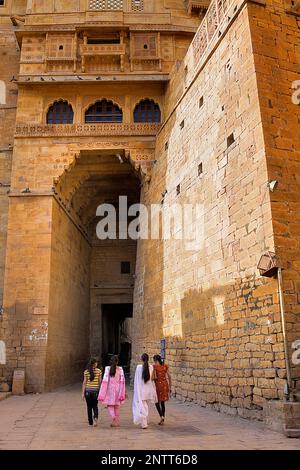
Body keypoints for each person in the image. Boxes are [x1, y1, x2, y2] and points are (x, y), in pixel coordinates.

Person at [98, 355, 126, 427]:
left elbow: (105, 380)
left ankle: (113, 418)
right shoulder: (120, 369)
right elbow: (122, 380)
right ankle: (116, 422)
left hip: (110, 389)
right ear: (117, 361)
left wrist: (102, 391)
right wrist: (123, 391)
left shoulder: (107, 369)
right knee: (117, 406)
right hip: (118, 389)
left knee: (110, 405)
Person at [132, 353, 157, 429]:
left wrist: (136, 390)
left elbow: (136, 379)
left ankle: (144, 422)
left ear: (141, 359)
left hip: (141, 390)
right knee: (145, 405)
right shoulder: (151, 367)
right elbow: (152, 379)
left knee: (142, 406)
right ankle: (144, 421)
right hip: (148, 390)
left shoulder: (139, 367)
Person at [82, 357, 102, 427]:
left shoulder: (86, 372)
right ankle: (95, 418)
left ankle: (90, 423)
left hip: (88, 391)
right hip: (95, 391)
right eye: (96, 362)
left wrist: (82, 393)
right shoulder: (99, 371)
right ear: (95, 364)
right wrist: (100, 391)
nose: (97, 363)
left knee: (89, 407)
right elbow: (100, 382)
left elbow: (84, 383)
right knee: (95, 406)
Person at [152, 354, 172, 425]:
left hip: (158, 386)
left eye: (154, 361)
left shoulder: (154, 367)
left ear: (156, 360)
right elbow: (169, 376)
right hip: (164, 385)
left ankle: (161, 416)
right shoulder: (165, 366)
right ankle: (163, 417)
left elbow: (153, 378)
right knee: (163, 402)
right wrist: (170, 386)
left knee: (157, 402)